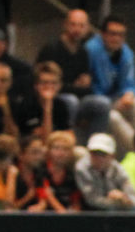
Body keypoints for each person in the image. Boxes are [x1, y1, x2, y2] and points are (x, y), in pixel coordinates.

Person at [35, 8, 111, 141]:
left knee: (102, 102)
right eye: (73, 24)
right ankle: (71, 143)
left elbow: (87, 87)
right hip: (55, 97)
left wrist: (77, 86)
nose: (77, 29)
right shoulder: (51, 49)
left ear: (87, 28)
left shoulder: (83, 52)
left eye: (81, 25)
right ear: (65, 25)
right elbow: (48, 84)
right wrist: (75, 86)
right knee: (71, 100)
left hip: (78, 97)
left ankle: (96, 143)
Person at [84, 13, 135, 156]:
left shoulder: (126, 52)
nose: (116, 38)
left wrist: (129, 93)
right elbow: (87, 87)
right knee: (113, 117)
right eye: (112, 34)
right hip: (96, 104)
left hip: (115, 100)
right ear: (102, 34)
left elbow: (130, 83)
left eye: (120, 35)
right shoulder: (90, 50)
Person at [75, 131, 135, 210]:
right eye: (94, 153)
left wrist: (123, 198)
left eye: (102, 154)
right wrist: (116, 201)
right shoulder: (81, 168)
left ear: (112, 156)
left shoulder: (118, 169)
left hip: (115, 214)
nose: (98, 158)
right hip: (88, 214)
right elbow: (92, 200)